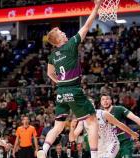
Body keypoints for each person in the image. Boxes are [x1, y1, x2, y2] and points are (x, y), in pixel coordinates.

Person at [37, 0, 102, 158]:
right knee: (92, 121)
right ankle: (94, 156)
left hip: (61, 92)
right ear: (58, 40)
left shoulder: (52, 55)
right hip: (73, 89)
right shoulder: (71, 44)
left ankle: (43, 150)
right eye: (61, 33)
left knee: (58, 126)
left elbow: (49, 73)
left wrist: (59, 82)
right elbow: (86, 26)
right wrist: (97, 7)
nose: (65, 33)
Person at [69, 107, 139, 158]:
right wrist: (72, 128)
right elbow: (72, 139)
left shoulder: (103, 114)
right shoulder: (82, 120)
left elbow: (119, 124)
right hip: (98, 148)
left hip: (111, 144)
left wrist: (132, 133)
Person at [100, 94, 140, 158]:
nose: (105, 101)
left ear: (111, 101)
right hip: (110, 143)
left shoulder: (119, 109)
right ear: (101, 102)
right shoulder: (99, 114)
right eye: (103, 99)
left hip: (124, 141)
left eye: (107, 99)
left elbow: (134, 117)